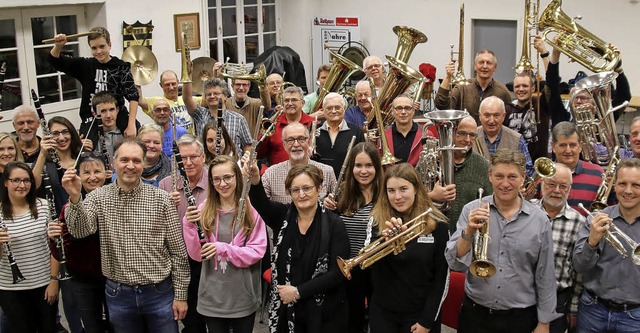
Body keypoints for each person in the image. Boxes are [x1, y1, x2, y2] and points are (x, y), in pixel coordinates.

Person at [62, 138, 190, 333]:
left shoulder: (162, 200)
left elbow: (178, 252)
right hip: (118, 295)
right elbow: (80, 231)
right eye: (124, 160)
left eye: (136, 161)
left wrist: (181, 295)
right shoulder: (98, 197)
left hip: (159, 293)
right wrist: (75, 197)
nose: (130, 166)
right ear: (113, 163)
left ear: (143, 163)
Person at [445, 149, 558, 333]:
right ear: (490, 176)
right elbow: (454, 263)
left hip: (519, 318)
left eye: (512, 177)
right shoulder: (471, 210)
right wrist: (469, 232)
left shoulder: (539, 220)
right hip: (475, 315)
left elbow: (545, 275)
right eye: (499, 176)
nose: (505, 183)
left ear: (523, 177)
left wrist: (544, 323)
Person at [244, 158, 350, 332]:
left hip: (324, 312)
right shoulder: (283, 216)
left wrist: (298, 292)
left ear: (319, 188)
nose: (302, 194)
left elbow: (338, 273)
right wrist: (255, 178)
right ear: (289, 193)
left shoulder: (334, 224)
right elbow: (260, 203)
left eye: (307, 188)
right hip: (288, 308)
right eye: (296, 190)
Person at [183, 155, 267, 333]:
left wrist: (222, 248)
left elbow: (257, 251)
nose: (222, 184)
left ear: (237, 176)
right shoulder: (203, 209)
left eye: (227, 177)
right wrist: (189, 225)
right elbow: (197, 254)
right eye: (217, 179)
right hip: (212, 297)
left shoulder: (251, 211)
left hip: (242, 296)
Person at [364, 163, 449, 333]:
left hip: (419, 315)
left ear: (416, 189)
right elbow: (367, 265)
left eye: (403, 189)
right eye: (391, 191)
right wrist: (383, 242)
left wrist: (427, 321)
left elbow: (441, 279)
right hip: (383, 313)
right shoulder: (376, 221)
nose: (397, 197)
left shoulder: (437, 225)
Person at [573, 158, 640, 332]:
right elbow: (579, 266)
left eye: (636, 185)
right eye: (622, 184)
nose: (628, 191)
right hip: (593, 310)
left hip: (635, 316)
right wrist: (592, 241)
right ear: (614, 185)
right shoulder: (597, 218)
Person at [323, 142, 383, 332]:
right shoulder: (343, 195)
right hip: (350, 270)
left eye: (369, 165)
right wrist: (328, 209)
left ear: (377, 167)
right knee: (352, 322)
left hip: (379, 269)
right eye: (358, 166)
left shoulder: (386, 196)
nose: (363, 171)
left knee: (379, 320)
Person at [47, 154, 110, 333]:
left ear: (106, 173)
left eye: (97, 171)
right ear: (78, 176)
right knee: (91, 326)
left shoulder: (115, 199)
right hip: (84, 279)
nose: (92, 177)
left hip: (115, 277)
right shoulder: (69, 205)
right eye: (86, 172)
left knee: (119, 324)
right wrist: (53, 239)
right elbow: (62, 249)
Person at [48, 26, 139, 142]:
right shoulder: (86, 65)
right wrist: (58, 46)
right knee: (85, 151)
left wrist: (131, 125)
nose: (98, 52)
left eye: (102, 46)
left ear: (109, 45)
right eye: (94, 48)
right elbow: (55, 61)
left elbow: (133, 96)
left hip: (117, 118)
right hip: (91, 119)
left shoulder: (120, 66)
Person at [0, 162, 59, 333]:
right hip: (10, 289)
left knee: (48, 328)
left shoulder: (44, 206)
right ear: (6, 182)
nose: (22, 185)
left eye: (26, 180)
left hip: (43, 285)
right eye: (16, 180)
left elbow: (55, 247)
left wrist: (54, 280)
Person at [159, 134, 210, 333]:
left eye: (193, 157)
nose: (187, 163)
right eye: (182, 158)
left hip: (208, 256)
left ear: (203, 157)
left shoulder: (215, 180)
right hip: (181, 259)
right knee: (191, 317)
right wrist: (168, 208)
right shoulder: (166, 184)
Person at [531, 163, 584, 333]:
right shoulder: (525, 211)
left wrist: (574, 308)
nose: (557, 190)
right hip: (523, 298)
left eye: (563, 186)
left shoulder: (579, 222)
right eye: (551, 184)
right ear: (542, 183)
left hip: (558, 299)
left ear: (570, 188)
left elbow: (579, 271)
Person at [504, 37, 570, 162]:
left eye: (525, 86)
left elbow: (552, 82)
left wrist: (544, 53)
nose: (521, 89)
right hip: (514, 164)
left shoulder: (541, 104)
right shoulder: (507, 109)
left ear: (533, 88)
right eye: (517, 86)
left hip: (539, 166)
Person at [433, 116, 493, 233]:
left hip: (468, 235)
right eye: (462, 133)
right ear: (452, 132)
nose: (468, 140)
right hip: (433, 233)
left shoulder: (483, 165)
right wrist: (431, 196)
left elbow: (490, 203)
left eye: (472, 135)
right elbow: (412, 195)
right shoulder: (431, 159)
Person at [262, 123, 336, 204]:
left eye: (301, 139)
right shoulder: (270, 174)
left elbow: (337, 203)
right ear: (284, 145)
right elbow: (261, 206)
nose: (296, 144)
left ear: (309, 142)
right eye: (290, 140)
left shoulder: (327, 171)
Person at [435, 49, 511, 122]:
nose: (484, 66)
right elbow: (441, 105)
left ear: (495, 67)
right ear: (475, 66)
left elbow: (507, 120)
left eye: (489, 63)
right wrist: (448, 76)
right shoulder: (462, 87)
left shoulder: (503, 92)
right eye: (481, 62)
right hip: (465, 134)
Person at [183, 77, 252, 156]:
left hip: (232, 165)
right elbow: (187, 99)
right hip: (206, 166)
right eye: (209, 94)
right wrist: (187, 74)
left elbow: (248, 145)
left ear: (225, 96)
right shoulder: (200, 114)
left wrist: (245, 161)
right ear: (205, 98)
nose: (212, 96)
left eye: (216, 93)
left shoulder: (239, 119)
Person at [550, 121, 604, 215]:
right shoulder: (542, 174)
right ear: (553, 147)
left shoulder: (598, 174)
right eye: (562, 145)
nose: (568, 150)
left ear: (580, 147)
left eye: (573, 145)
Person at [473, 96, 534, 177]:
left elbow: (528, 169)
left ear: (504, 116)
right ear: (480, 116)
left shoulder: (517, 139)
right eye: (487, 115)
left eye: (496, 115)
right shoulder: (469, 137)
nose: (491, 120)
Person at [256, 86, 315, 166]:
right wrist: (264, 134)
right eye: (287, 100)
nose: (290, 103)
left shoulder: (313, 123)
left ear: (302, 103)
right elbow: (259, 154)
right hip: (278, 175)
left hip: (307, 174)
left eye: (294, 100)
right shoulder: (273, 124)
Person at [315, 92, 365, 177]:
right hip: (320, 182)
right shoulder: (314, 131)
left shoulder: (356, 131)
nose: (333, 111)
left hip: (347, 183)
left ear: (344, 108)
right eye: (329, 108)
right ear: (323, 110)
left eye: (337, 107)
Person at [138, 70, 202, 134]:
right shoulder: (157, 102)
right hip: (168, 141)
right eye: (167, 85)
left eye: (173, 84)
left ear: (178, 82)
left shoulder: (189, 100)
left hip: (189, 141)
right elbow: (139, 99)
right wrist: (137, 77)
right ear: (161, 85)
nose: (171, 88)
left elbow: (207, 100)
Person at [384, 95, 434, 166]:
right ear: (392, 111)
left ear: (413, 111)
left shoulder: (427, 134)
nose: (403, 112)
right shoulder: (383, 135)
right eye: (399, 108)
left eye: (407, 108)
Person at [92, 91, 123, 166]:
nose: (108, 115)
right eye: (103, 111)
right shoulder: (92, 137)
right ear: (95, 114)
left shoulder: (126, 133)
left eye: (112, 110)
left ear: (117, 110)